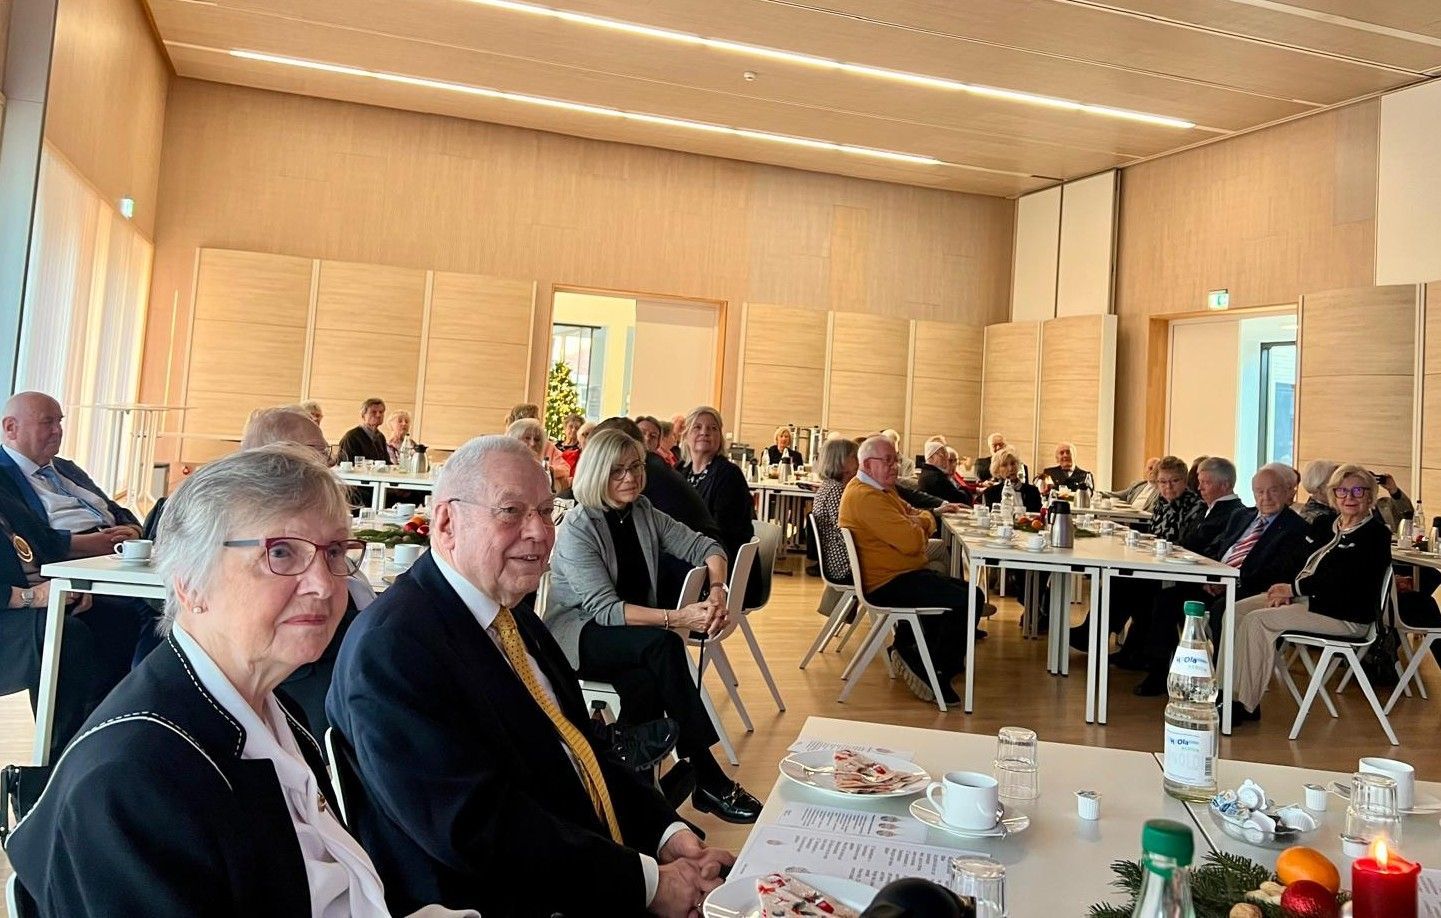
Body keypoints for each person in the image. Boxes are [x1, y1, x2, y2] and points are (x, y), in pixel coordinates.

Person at [6, 444, 475, 917]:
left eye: (334, 551)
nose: (323, 584)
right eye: (281, 552)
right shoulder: (132, 782)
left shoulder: (270, 707)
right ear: (190, 582)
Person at [328, 436, 734, 916]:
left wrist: (669, 836)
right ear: (446, 523)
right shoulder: (394, 649)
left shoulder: (512, 614)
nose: (539, 532)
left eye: (545, 511)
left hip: (586, 865)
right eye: (511, 512)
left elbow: (584, 749)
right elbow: (477, 830)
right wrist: (647, 885)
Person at [547, 430, 761, 824]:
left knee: (645, 683)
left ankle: (639, 803)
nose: (630, 478)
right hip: (578, 634)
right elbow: (605, 610)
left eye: (635, 468)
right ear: (596, 473)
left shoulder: (642, 511)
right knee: (664, 646)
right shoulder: (579, 526)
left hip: (631, 637)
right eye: (617, 471)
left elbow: (707, 547)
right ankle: (707, 775)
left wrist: (717, 591)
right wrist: (679, 618)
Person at [1228, 465, 1392, 724]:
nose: (1349, 497)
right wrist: (1287, 589)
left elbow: (1343, 579)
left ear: (1370, 495)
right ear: (1333, 495)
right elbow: (1298, 559)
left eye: (1358, 491)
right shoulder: (1326, 524)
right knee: (1235, 611)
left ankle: (1244, 703)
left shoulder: (1376, 534)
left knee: (1257, 620)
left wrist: (1294, 590)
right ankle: (1224, 691)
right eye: (1342, 491)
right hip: (1309, 599)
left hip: (1344, 614)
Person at [1130, 464, 1310, 696]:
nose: (1265, 497)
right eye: (1259, 491)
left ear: (1287, 492)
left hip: (1250, 590)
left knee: (1221, 610)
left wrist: (1230, 582)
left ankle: (1217, 684)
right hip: (1215, 581)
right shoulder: (1241, 516)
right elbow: (1218, 550)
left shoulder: (1296, 528)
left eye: (1273, 491)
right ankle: (1159, 671)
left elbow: (1279, 572)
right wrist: (1211, 577)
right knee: (1167, 598)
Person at [839, 436, 985, 705]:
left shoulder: (881, 489)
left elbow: (912, 511)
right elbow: (912, 542)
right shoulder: (865, 497)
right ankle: (929, 669)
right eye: (888, 460)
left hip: (904, 573)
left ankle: (914, 652)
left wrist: (918, 520)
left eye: (896, 459)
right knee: (970, 598)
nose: (895, 466)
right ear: (867, 464)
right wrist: (924, 521)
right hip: (888, 583)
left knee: (970, 593)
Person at [0, 391, 144, 558]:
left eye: (59, 421)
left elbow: (113, 509)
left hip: (116, 552)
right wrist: (87, 545)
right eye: (47, 422)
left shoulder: (65, 467)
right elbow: (27, 536)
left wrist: (134, 531)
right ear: (11, 428)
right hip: (68, 559)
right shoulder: (4, 475)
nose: (58, 430)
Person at [679, 406, 760, 607]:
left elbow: (723, 531)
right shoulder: (680, 472)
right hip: (692, 555)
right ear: (686, 435)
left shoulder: (729, 475)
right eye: (697, 427)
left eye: (712, 428)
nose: (704, 432)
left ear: (720, 439)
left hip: (724, 564)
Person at [1178, 456, 1248, 558]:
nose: (1199, 487)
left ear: (1225, 485)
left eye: (1206, 482)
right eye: (1199, 482)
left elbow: (1207, 549)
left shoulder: (1236, 514)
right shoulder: (1206, 508)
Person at [980, 448, 1042, 512]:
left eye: (1013, 464)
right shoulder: (991, 493)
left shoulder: (1033, 491)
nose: (1010, 469)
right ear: (997, 470)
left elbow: (1037, 516)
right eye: (1004, 465)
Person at [917, 439, 972, 506]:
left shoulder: (929, 472)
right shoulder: (936, 477)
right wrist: (964, 489)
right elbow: (962, 499)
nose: (946, 458)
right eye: (942, 455)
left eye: (946, 455)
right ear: (931, 457)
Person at [338, 397, 390, 464]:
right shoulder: (351, 437)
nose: (378, 415)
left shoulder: (381, 437)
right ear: (363, 415)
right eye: (373, 412)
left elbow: (387, 463)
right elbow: (346, 464)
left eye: (381, 412)